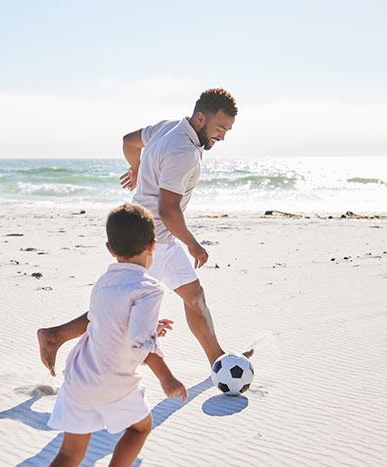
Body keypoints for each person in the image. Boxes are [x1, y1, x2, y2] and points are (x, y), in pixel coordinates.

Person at [37, 88, 248, 370]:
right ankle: (55, 336)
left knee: (194, 296)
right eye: (220, 128)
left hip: (160, 238)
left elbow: (129, 141)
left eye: (227, 130)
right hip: (152, 243)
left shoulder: (168, 127)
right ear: (200, 118)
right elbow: (168, 210)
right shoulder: (183, 150)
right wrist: (193, 244)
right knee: (119, 310)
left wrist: (137, 168)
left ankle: (218, 361)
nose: (222, 136)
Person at [25, 204, 188, 467]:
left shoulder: (103, 282)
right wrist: (166, 377)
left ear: (110, 249)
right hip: (115, 382)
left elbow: (106, 321)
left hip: (79, 379)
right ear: (152, 246)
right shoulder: (150, 287)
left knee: (69, 453)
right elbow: (140, 341)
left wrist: (147, 325)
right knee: (141, 428)